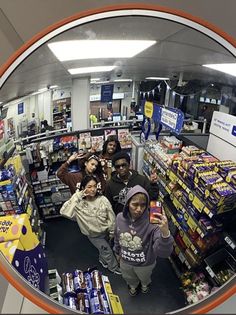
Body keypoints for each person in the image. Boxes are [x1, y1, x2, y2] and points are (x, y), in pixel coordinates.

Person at [114, 185, 173, 296]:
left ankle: (145, 285)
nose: (139, 209)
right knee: (129, 277)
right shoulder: (119, 218)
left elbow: (163, 253)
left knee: (145, 278)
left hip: (145, 264)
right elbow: (117, 237)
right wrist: (117, 252)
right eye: (134, 205)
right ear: (127, 204)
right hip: (125, 261)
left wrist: (165, 233)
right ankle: (133, 286)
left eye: (143, 205)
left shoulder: (153, 223)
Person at [60, 175, 121, 275]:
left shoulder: (102, 199)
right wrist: (78, 196)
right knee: (107, 251)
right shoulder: (79, 204)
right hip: (94, 235)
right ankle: (113, 267)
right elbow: (64, 212)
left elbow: (111, 217)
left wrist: (112, 232)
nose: (93, 189)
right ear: (83, 188)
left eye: (94, 186)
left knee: (104, 249)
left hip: (106, 232)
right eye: (89, 187)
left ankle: (103, 260)